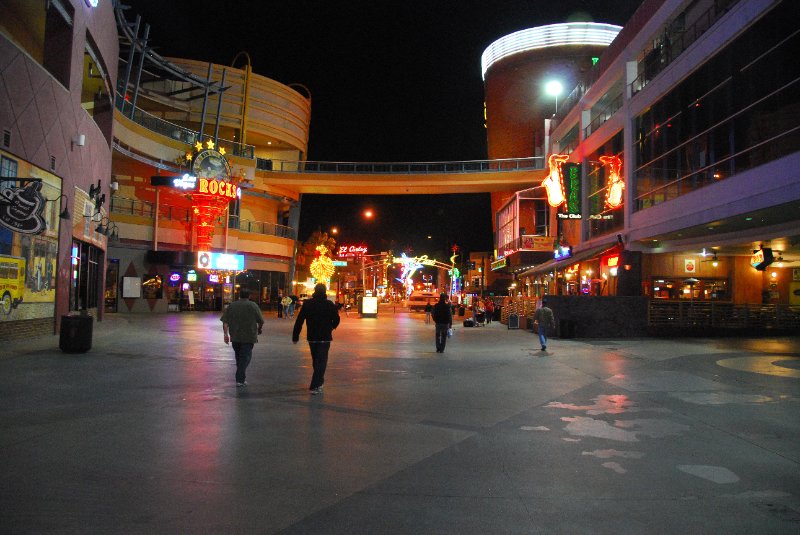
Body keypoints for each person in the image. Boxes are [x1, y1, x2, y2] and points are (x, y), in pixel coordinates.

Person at [292, 283, 341, 394]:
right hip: (325, 337)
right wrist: (331, 327)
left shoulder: (308, 304)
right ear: (325, 292)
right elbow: (337, 319)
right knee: (322, 361)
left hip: (312, 337)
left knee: (316, 360)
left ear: (314, 291)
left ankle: (318, 382)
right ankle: (316, 385)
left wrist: (295, 336)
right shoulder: (329, 304)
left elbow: (299, 320)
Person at [221, 289, 265, 387]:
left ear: (239, 295)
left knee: (239, 356)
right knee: (246, 357)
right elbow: (261, 320)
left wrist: (225, 334)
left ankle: (241, 377)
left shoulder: (232, 305)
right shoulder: (253, 305)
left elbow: (225, 322)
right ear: (248, 296)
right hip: (249, 336)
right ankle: (240, 379)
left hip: (235, 336)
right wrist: (259, 329)